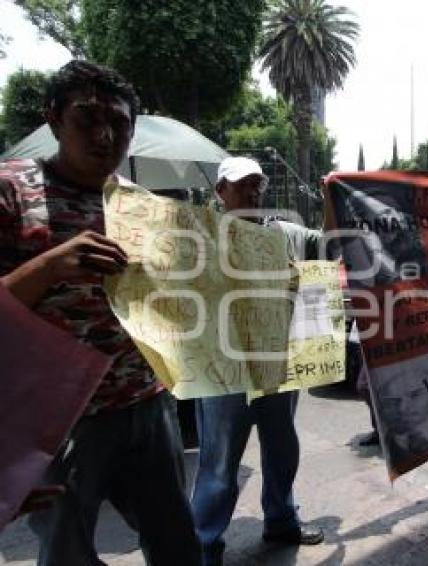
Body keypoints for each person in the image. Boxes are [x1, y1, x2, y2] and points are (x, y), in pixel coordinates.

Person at [0, 60, 201, 565]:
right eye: (87, 119)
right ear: (54, 120)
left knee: (177, 544)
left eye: (120, 123)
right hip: (61, 421)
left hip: (148, 404)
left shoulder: (142, 206)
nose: (105, 135)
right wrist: (49, 267)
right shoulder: (12, 191)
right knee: (68, 552)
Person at [190, 157, 323, 566]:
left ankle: (281, 519)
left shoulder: (283, 234)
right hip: (223, 368)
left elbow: (323, 250)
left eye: (256, 186)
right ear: (220, 192)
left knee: (282, 448)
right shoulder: (200, 235)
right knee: (219, 460)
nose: (251, 193)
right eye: (241, 185)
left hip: (277, 363)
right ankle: (205, 543)